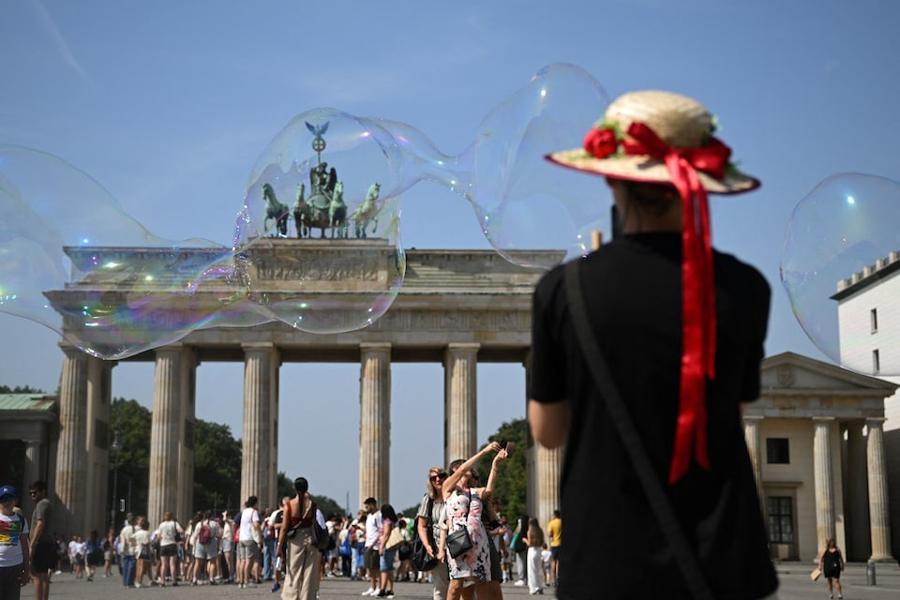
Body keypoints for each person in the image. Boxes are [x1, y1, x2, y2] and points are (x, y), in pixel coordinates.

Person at [531, 90, 779, 599]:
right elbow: (733, 403)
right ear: (698, 186)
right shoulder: (745, 287)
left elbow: (549, 432)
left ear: (611, 179)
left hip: (606, 558)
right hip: (721, 560)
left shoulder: (564, 290)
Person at [441, 442, 506, 600]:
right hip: (459, 541)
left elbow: (490, 489)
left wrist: (495, 464)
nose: (468, 469)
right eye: (465, 467)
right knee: (456, 583)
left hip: (479, 541)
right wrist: (484, 451)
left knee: (481, 582)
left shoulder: (475, 491)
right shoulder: (448, 489)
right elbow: (463, 469)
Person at [277, 477, 325, 600]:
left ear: (294, 487)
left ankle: (291, 596)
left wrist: (279, 545)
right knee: (309, 572)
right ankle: (307, 597)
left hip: (296, 540)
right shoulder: (312, 505)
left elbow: (284, 527)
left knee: (293, 570)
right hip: (311, 539)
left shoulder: (289, 505)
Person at [417, 467, 449, 600]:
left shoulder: (455, 495)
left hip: (459, 546)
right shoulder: (428, 500)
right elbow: (422, 525)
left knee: (464, 586)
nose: (438, 479)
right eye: (433, 478)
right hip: (437, 548)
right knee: (440, 587)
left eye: (441, 476)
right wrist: (427, 545)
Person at [0, 485, 31, 600]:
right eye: (3, 499)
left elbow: (24, 545)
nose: (6, 503)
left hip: (15, 565)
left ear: (16, 501)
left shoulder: (21, 520)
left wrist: (27, 570)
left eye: (10, 499)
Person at [28, 480, 54, 600]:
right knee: (43, 576)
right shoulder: (46, 503)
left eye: (35, 492)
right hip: (46, 543)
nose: (33, 495)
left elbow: (40, 524)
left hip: (41, 543)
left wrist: (32, 544)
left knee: (35, 576)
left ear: (43, 492)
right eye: (31, 493)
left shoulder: (42, 504)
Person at [238, 496, 262, 588]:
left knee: (242, 561)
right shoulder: (253, 511)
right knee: (249, 561)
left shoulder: (244, 511)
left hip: (242, 538)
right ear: (255, 503)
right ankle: (246, 581)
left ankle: (241, 581)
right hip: (250, 538)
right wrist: (260, 533)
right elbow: (256, 524)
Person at [361, 497, 383, 597]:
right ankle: (372, 587)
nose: (366, 508)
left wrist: (374, 544)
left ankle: (379, 587)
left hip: (375, 546)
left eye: (367, 506)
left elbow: (380, 531)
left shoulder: (378, 515)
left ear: (372, 505)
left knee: (376, 568)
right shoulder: (369, 515)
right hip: (367, 544)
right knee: (369, 568)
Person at [376, 504, 398, 598]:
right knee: (389, 568)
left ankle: (382, 589)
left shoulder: (387, 522)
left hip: (386, 547)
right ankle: (389, 589)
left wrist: (381, 547)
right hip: (391, 547)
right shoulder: (392, 521)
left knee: (384, 569)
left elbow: (386, 534)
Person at [522, 518, 543, 595]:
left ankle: (534, 588)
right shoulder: (540, 531)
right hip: (538, 550)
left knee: (531, 571)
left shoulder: (530, 531)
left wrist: (525, 540)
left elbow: (530, 543)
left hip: (532, 550)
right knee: (538, 569)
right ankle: (539, 587)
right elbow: (542, 542)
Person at [117, 513, 137, 587]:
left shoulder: (124, 529)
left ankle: (125, 582)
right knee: (132, 567)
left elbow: (121, 539)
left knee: (125, 566)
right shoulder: (136, 529)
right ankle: (130, 582)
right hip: (133, 549)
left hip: (125, 549)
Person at [132, 517, 151, 587]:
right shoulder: (147, 533)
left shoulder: (138, 533)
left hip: (137, 549)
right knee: (142, 568)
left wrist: (134, 545)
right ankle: (139, 582)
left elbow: (131, 538)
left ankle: (137, 581)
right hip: (144, 551)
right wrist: (150, 554)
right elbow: (147, 544)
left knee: (138, 567)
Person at [545, 510, 560, 587]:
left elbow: (549, 534)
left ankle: (554, 580)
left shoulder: (552, 523)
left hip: (554, 544)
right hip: (562, 544)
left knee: (554, 562)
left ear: (554, 515)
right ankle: (559, 578)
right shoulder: (562, 522)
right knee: (560, 562)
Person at [221, 511, 235, 584]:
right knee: (228, 560)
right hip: (225, 540)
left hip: (228, 540)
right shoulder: (227, 523)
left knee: (229, 560)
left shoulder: (231, 522)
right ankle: (229, 575)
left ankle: (231, 576)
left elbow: (224, 520)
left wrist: (224, 515)